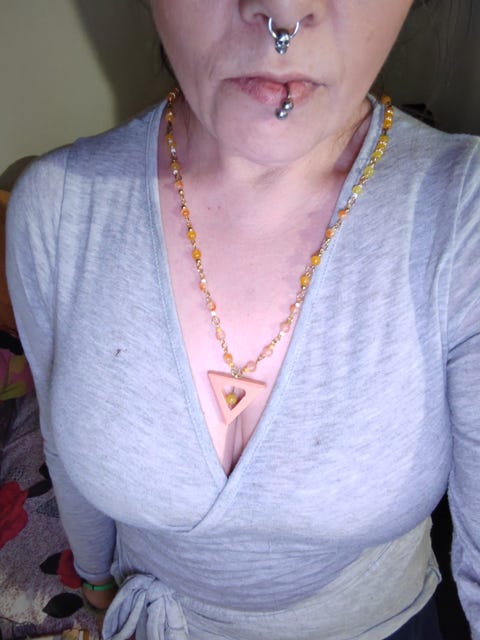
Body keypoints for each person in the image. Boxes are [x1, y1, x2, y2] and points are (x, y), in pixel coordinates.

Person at [6, 1, 480, 638]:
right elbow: (64, 450)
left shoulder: (464, 215)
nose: (283, 12)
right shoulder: (54, 210)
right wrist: (95, 580)